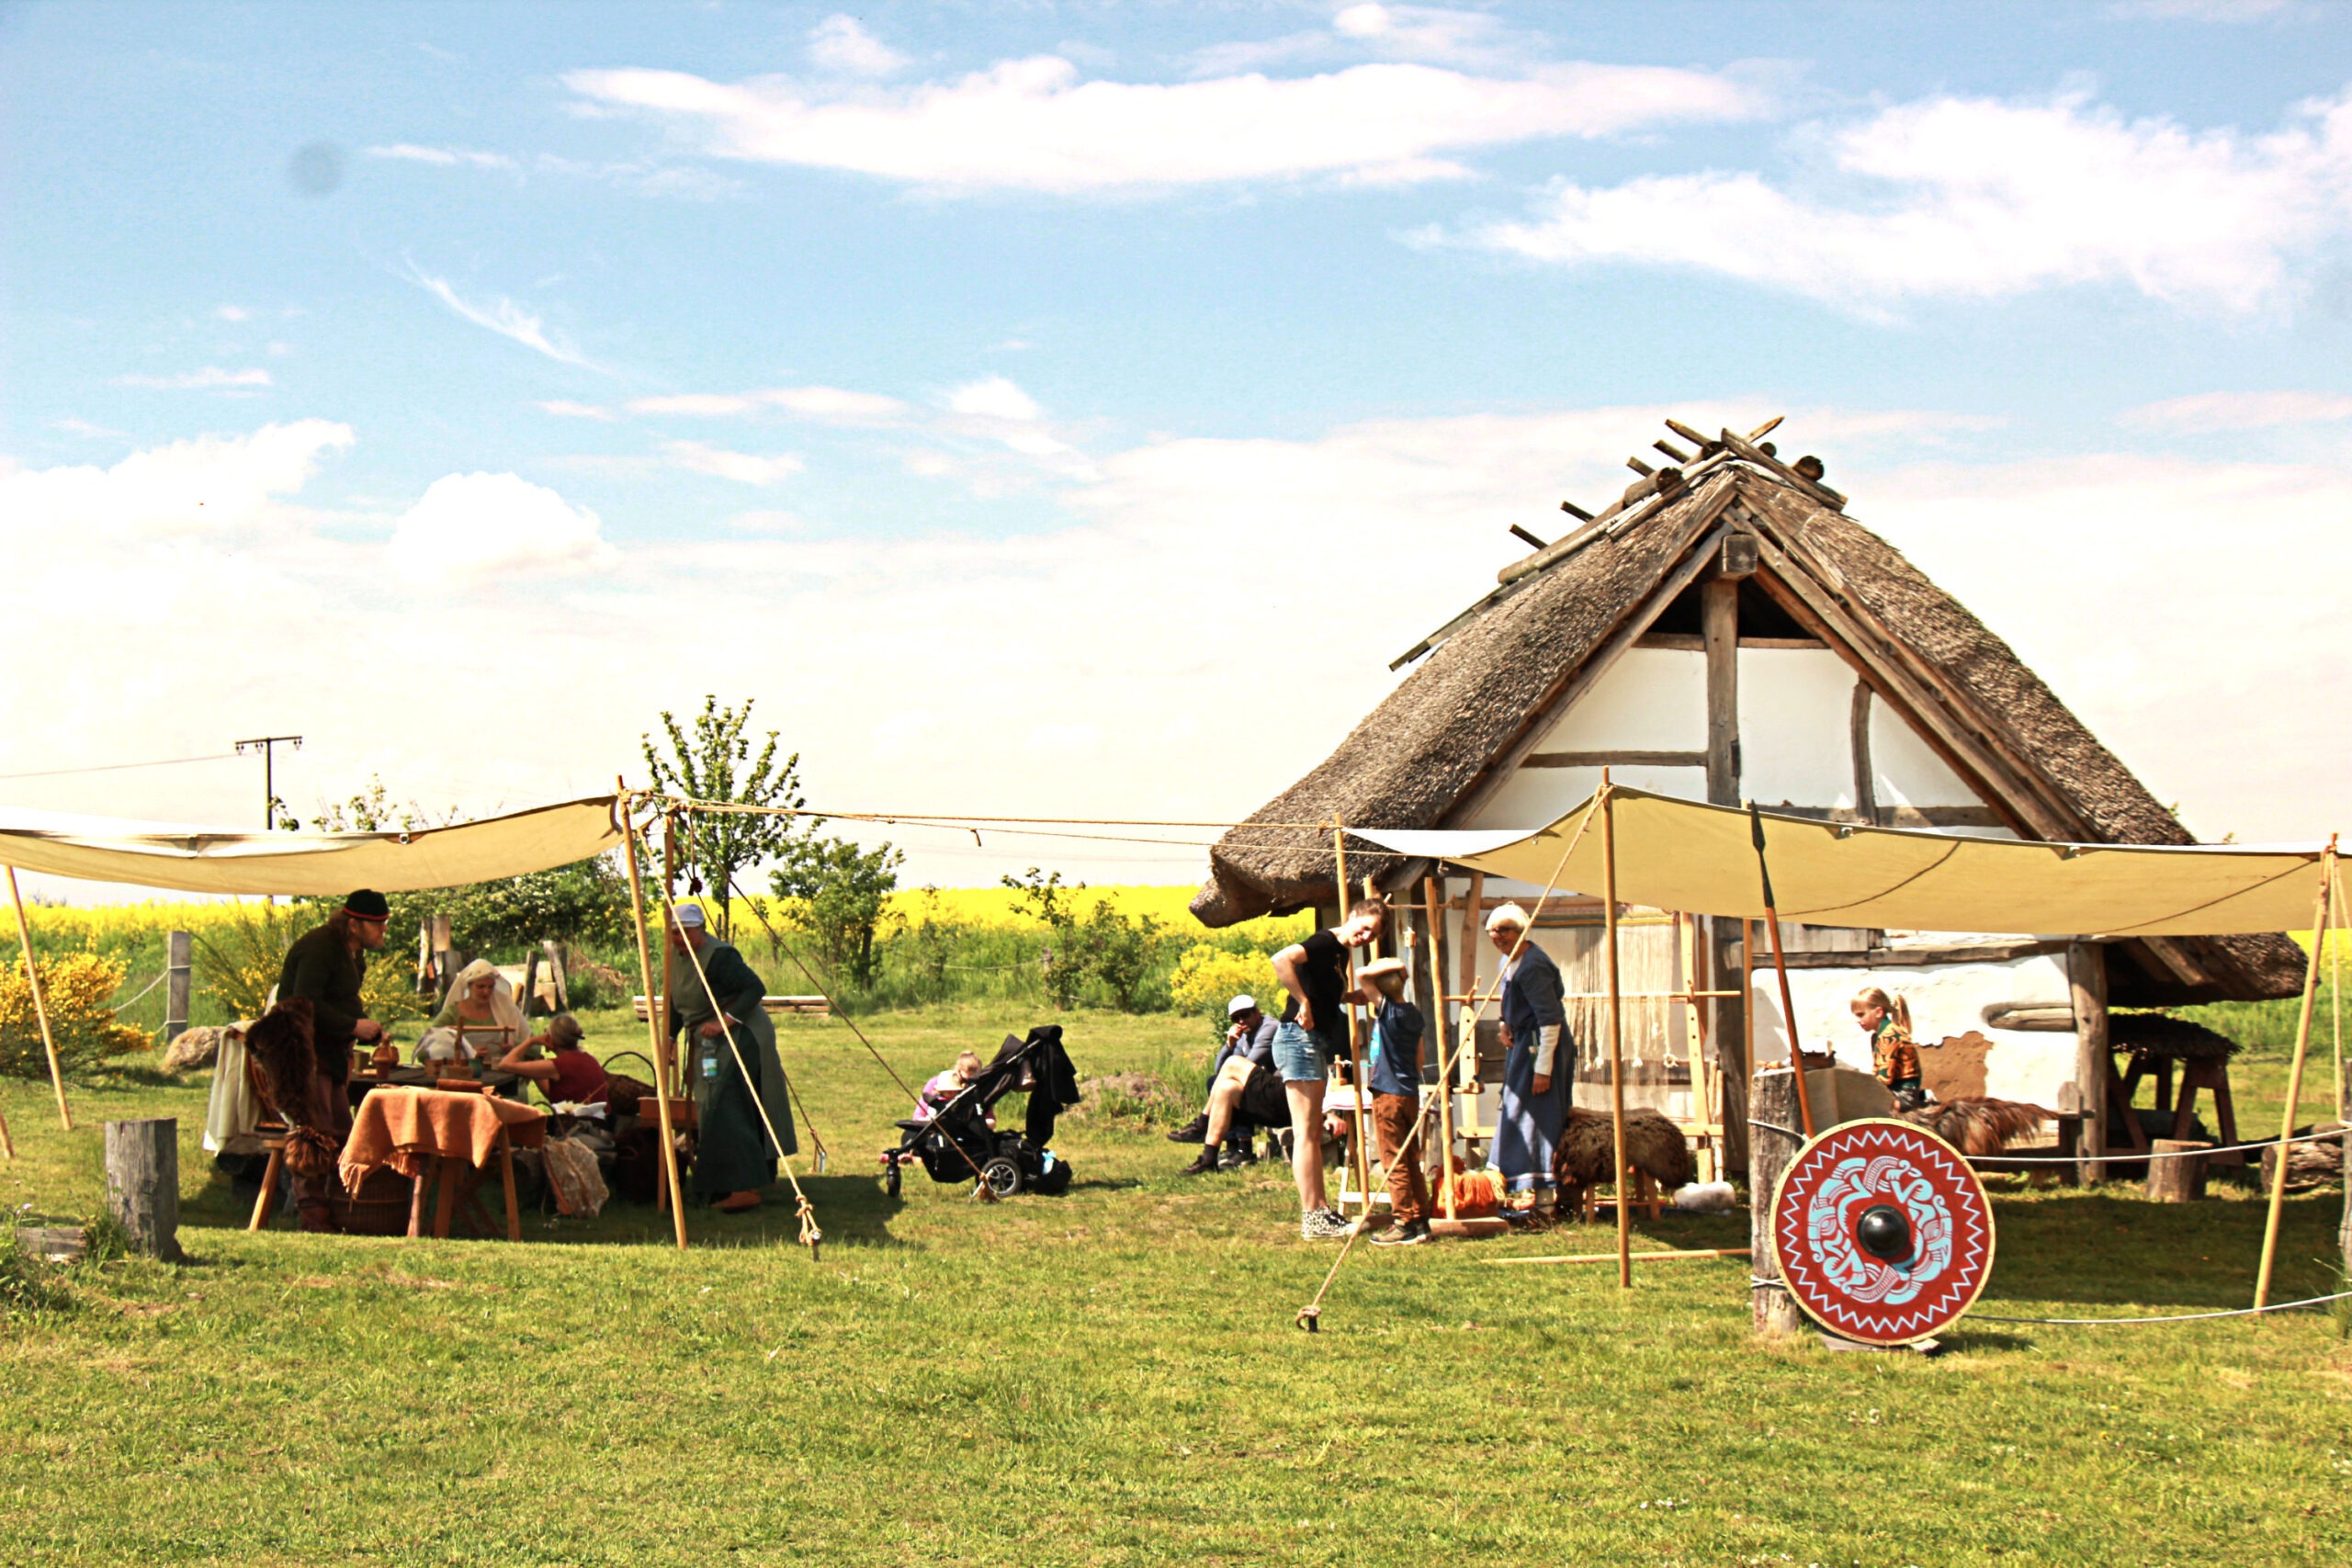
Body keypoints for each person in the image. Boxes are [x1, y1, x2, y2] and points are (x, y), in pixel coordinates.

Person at [667, 903, 797, 1213]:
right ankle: (752, 1175)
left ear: (699, 930)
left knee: (724, 1104)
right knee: (719, 1103)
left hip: (743, 1034)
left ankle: (743, 1186)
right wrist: (670, 1039)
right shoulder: (674, 957)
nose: (679, 939)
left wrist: (723, 1022)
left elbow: (754, 988)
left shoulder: (719, 956)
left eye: (685, 933)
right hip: (709, 1041)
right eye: (674, 933)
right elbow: (675, 1000)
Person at [273, 889, 390, 1226]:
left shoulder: (351, 953)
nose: (383, 930)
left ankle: (340, 1209)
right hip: (305, 1055)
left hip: (330, 1056)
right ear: (354, 924)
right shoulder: (320, 947)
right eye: (378, 924)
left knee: (340, 1131)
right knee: (316, 1133)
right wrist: (353, 1025)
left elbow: (340, 999)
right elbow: (305, 1001)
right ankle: (314, 1215)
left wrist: (364, 1028)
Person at [1270, 895, 1385, 1239]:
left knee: (1311, 1130)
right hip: (1297, 1038)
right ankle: (1313, 1217)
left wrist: (1347, 997)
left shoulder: (1341, 953)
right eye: (1365, 928)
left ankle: (1321, 1210)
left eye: (1373, 936)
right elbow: (1281, 959)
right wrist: (1302, 1002)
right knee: (1305, 1133)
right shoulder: (1325, 941)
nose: (1366, 938)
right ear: (1352, 916)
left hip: (1314, 1040)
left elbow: (1321, 988)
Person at [1487, 903, 1569, 1226]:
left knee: (1540, 1119)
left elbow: (1550, 1021)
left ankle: (1546, 1205)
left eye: (1504, 931)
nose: (1497, 937)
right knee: (1517, 1114)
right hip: (1523, 1044)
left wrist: (1543, 1070)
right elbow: (1510, 1004)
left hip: (1541, 1048)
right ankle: (1528, 1196)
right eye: (1492, 931)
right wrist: (1504, 1024)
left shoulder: (1533, 965)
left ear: (1521, 932)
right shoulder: (1508, 962)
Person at [1359, 955, 1434, 1247]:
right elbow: (1420, 1058)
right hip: (1408, 1091)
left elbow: (1364, 974)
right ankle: (1421, 1219)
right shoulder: (1413, 1013)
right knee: (1411, 1158)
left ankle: (1403, 1220)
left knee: (1394, 1160)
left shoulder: (1388, 1011)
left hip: (1388, 1093)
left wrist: (1395, 965)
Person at [1175, 995, 1288, 1177]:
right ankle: (1209, 1158)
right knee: (1224, 1086)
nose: (1242, 1021)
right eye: (1236, 1018)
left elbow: (1244, 1064)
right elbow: (1221, 1071)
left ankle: (1202, 1125)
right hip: (1266, 1095)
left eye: (1246, 1015)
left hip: (1283, 1093)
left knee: (1233, 1067)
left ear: (1257, 1012)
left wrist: (1233, 1056)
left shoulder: (1270, 1028)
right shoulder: (1244, 1035)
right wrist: (1229, 1045)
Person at [424, 958, 530, 1074]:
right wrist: (466, 1053)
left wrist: (514, 1045)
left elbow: (533, 1048)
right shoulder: (452, 1014)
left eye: (490, 987)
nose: (486, 992)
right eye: (481, 986)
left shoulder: (505, 1009)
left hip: (502, 1076)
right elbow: (426, 1050)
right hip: (464, 1077)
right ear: (469, 985)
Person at [501, 1012, 608, 1107]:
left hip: (579, 1126)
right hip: (601, 1123)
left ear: (551, 1038)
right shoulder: (589, 1059)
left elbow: (505, 1064)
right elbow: (553, 1093)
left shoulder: (557, 1065)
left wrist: (531, 1041)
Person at [1853, 987, 1926, 1110]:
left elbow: (1884, 1078)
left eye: (1861, 1015)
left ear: (1878, 1012)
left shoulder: (1889, 1036)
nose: (1858, 1021)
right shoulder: (1877, 1036)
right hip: (1893, 1089)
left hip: (1904, 1094)